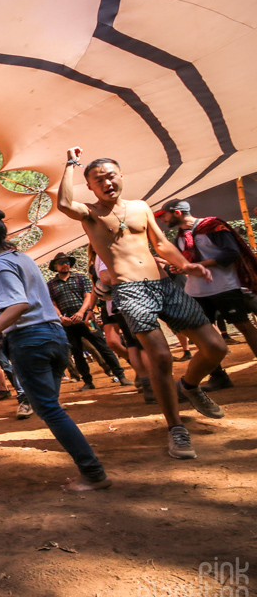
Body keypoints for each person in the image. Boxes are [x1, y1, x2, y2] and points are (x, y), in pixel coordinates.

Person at [58, 147, 227, 459]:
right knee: (160, 358)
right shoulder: (91, 214)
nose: (107, 182)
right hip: (129, 291)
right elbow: (65, 203)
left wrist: (186, 265)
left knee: (216, 347)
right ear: (91, 187)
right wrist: (70, 164)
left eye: (111, 176)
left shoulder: (140, 207)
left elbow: (160, 243)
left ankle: (189, 385)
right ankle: (176, 429)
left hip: (163, 284)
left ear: (121, 177)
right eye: (98, 180)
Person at [0, 210, 112, 491]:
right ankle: (89, 468)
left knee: (49, 409)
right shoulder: (22, 258)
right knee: (51, 406)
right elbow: (27, 301)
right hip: (55, 337)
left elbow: (19, 305)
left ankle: (93, 472)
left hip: (29, 341)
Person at [156, 198, 257, 389]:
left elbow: (231, 253)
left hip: (225, 286)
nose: (162, 220)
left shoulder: (212, 226)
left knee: (243, 324)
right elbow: (186, 263)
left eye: (164, 215)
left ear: (177, 213)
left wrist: (198, 265)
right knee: (200, 333)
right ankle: (218, 376)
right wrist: (180, 268)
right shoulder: (178, 237)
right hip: (196, 290)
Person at [46, 252, 133, 391]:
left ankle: (121, 375)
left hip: (87, 319)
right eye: (61, 263)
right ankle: (87, 381)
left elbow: (88, 296)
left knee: (103, 347)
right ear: (55, 266)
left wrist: (81, 312)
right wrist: (61, 317)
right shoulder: (50, 285)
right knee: (77, 353)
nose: (65, 265)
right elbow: (53, 303)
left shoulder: (80, 278)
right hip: (68, 323)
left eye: (67, 262)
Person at [88, 246, 154, 403]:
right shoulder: (106, 254)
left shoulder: (101, 257)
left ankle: (147, 384)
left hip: (116, 305)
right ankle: (154, 385)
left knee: (133, 344)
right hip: (125, 302)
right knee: (142, 344)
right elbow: (104, 279)